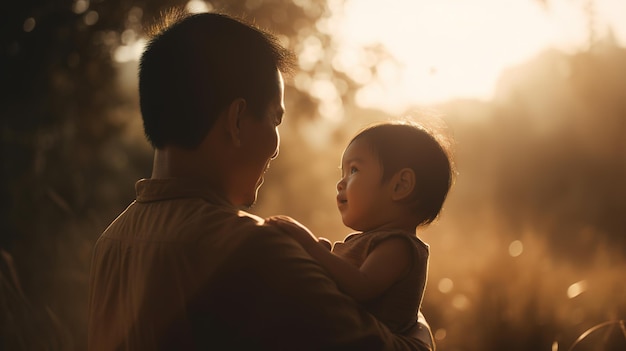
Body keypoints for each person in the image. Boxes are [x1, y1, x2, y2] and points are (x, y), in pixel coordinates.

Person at [87, 10, 434, 351]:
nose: (275, 147)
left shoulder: (111, 243)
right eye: (275, 120)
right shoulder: (255, 249)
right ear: (237, 119)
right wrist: (418, 330)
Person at [270, 121, 453, 339]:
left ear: (400, 185)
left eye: (354, 170)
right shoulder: (373, 240)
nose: (340, 183)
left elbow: (360, 287)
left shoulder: (400, 247)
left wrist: (311, 248)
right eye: (343, 172)